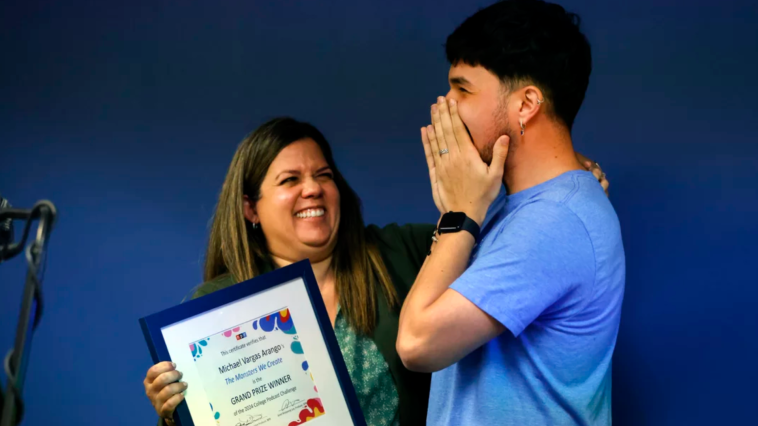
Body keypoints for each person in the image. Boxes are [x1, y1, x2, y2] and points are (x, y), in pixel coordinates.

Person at [141, 117, 608, 426]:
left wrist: (557, 183)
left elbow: (502, 238)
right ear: (251, 210)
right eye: (290, 181)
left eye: (323, 175)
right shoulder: (211, 310)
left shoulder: (401, 251)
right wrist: (171, 413)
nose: (313, 190)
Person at [396, 1, 625, 425]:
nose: (445, 106)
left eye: (462, 90)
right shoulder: (519, 205)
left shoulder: (554, 220)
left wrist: (458, 216)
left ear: (526, 104)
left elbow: (416, 344)